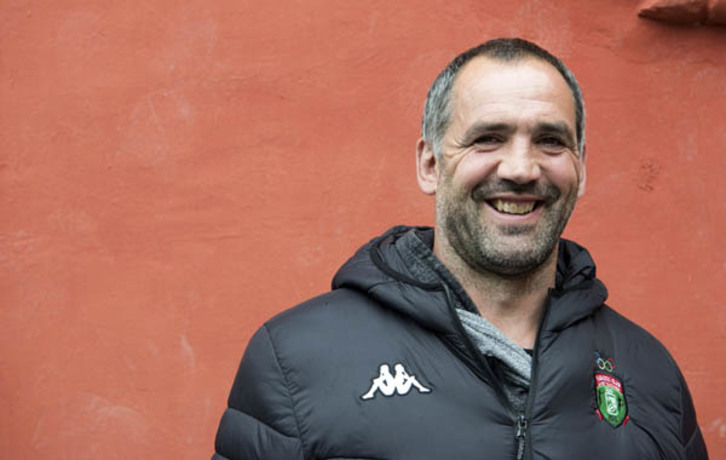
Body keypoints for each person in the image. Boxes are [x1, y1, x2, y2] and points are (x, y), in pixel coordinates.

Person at [212, 38, 708, 460]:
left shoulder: (649, 373)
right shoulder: (297, 360)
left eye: (550, 141)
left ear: (580, 169)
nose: (521, 168)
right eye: (488, 138)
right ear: (430, 164)